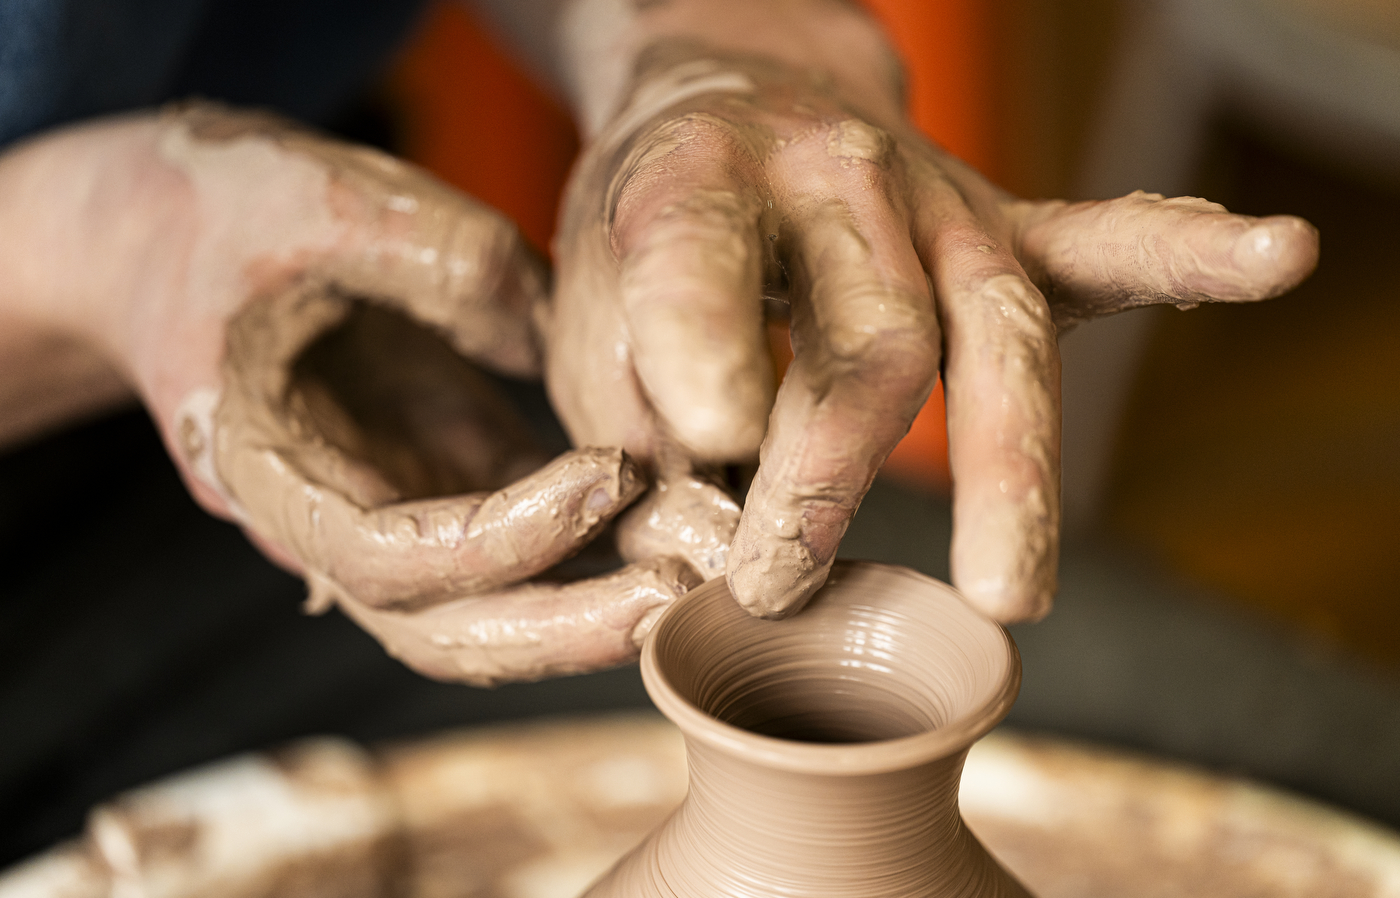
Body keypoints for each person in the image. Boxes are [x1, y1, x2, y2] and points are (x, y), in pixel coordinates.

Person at [0, 0, 1318, 689]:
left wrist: (712, 47)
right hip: (92, 362)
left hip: (311, 360)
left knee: (1300, 765)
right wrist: (85, 256)